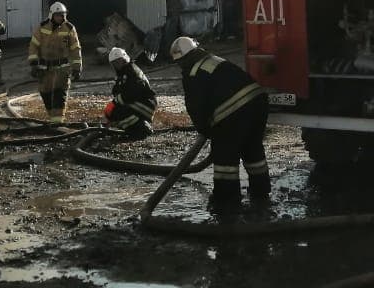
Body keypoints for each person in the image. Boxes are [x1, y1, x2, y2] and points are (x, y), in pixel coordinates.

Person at [170, 35, 269, 211]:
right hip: (258, 101)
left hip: (234, 111)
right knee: (252, 149)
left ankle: (227, 201)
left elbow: (196, 107)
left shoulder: (192, 73)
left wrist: (207, 131)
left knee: (224, 156)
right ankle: (261, 193)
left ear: (183, 60)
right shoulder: (212, 59)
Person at [27, 1, 82, 123]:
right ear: (52, 15)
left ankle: (57, 121)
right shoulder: (42, 28)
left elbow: (75, 48)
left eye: (62, 15)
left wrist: (77, 67)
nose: (60, 17)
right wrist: (34, 64)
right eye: (58, 15)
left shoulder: (69, 28)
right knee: (45, 92)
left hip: (63, 68)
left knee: (60, 93)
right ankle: (53, 117)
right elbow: (33, 46)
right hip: (44, 68)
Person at [104, 47, 156, 139]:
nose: (117, 65)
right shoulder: (123, 73)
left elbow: (130, 94)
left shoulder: (131, 72)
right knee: (113, 112)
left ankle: (142, 129)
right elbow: (116, 91)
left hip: (146, 104)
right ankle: (133, 130)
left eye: (118, 61)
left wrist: (114, 103)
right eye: (114, 63)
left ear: (124, 59)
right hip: (139, 103)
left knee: (117, 112)